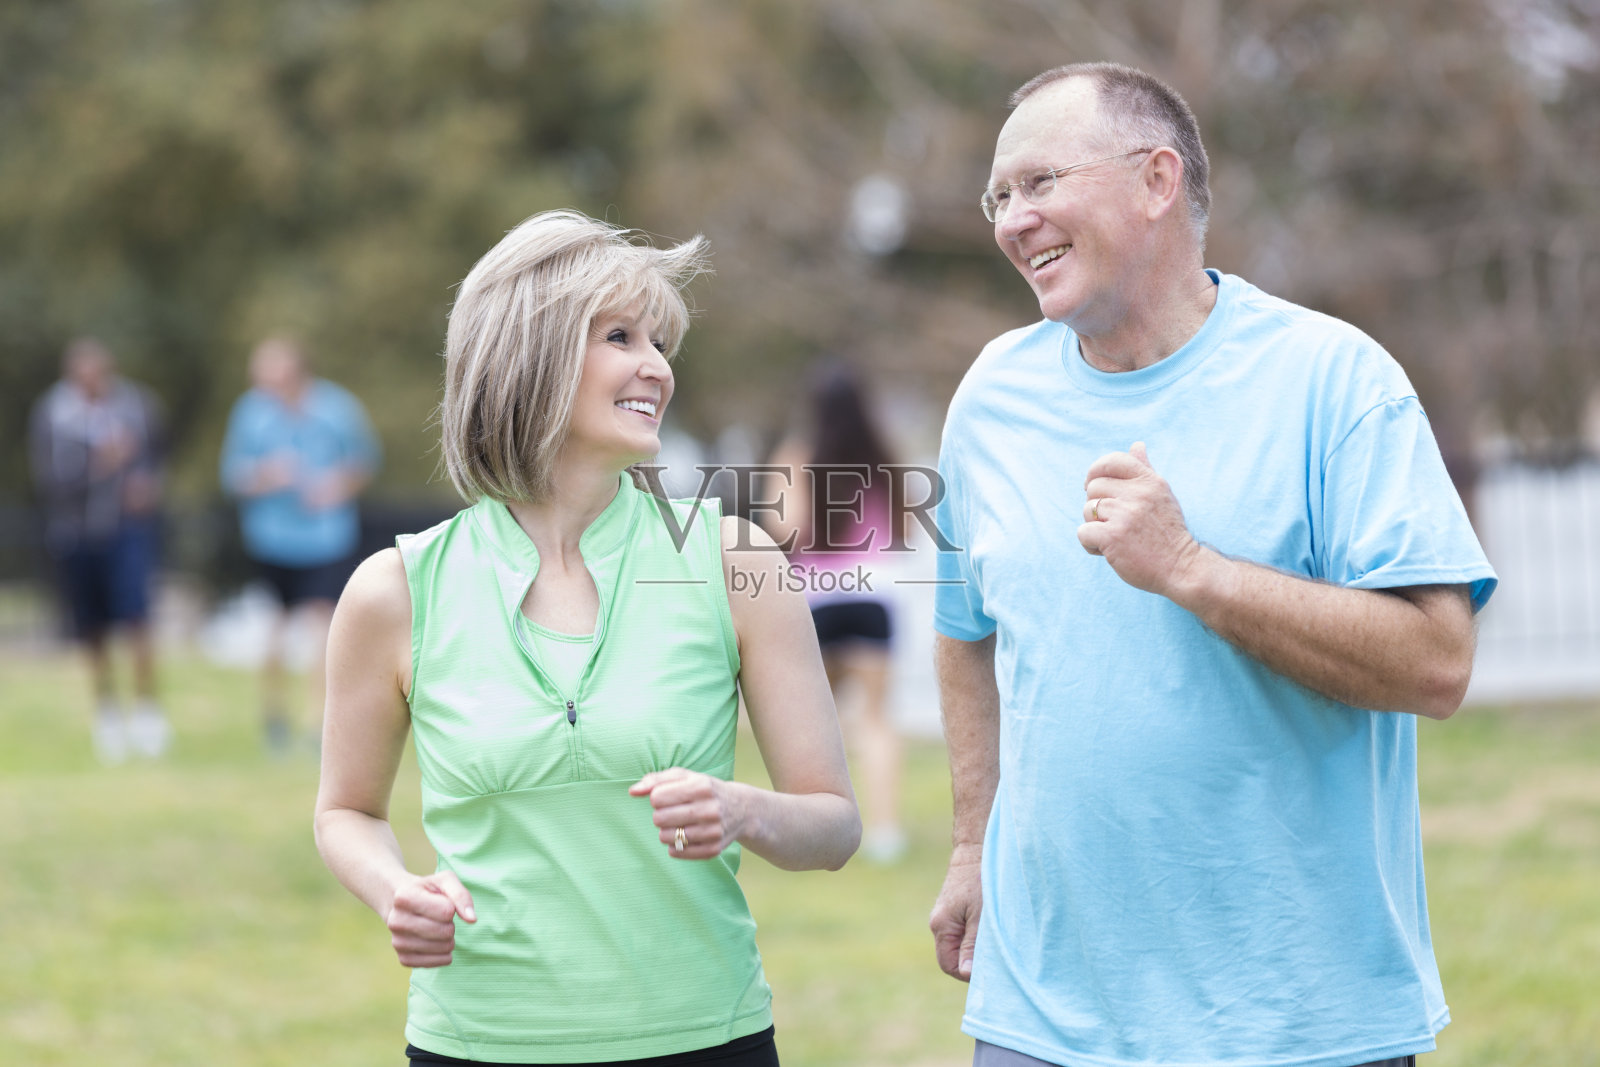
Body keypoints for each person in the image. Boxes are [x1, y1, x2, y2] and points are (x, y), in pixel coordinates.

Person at [928, 62, 1497, 1067]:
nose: (1013, 219)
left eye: (1040, 181)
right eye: (999, 196)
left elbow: (1436, 663)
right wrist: (972, 843)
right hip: (1042, 1017)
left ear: (1155, 181)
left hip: (1296, 1022)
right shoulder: (989, 395)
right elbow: (964, 631)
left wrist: (1192, 567)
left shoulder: (1333, 379)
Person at [313, 210, 860, 1065]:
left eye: (660, 342)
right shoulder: (395, 592)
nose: (657, 367)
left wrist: (741, 808)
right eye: (620, 335)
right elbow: (345, 811)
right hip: (476, 1042)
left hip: (705, 1038)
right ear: (527, 354)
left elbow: (833, 824)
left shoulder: (732, 561)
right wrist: (397, 890)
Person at [767, 362, 906, 863]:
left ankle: (806, 827)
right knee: (875, 721)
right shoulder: (884, 460)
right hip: (873, 600)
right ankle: (886, 833)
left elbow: (779, 530)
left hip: (818, 603)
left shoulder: (799, 457)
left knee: (813, 722)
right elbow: (902, 529)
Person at [219, 338, 379, 753]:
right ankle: (275, 719)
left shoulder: (337, 408)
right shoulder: (251, 412)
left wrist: (334, 488)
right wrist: (266, 476)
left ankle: (317, 723)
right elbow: (233, 476)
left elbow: (363, 463)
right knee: (274, 626)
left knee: (321, 626)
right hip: (270, 538)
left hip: (325, 536)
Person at [28, 337, 170, 763]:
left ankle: (148, 711)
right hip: (77, 534)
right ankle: (107, 713)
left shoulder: (137, 405)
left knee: (137, 618)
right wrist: (103, 464)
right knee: (92, 629)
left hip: (127, 530)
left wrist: (149, 487)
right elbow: (50, 481)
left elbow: (159, 458)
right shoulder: (54, 414)